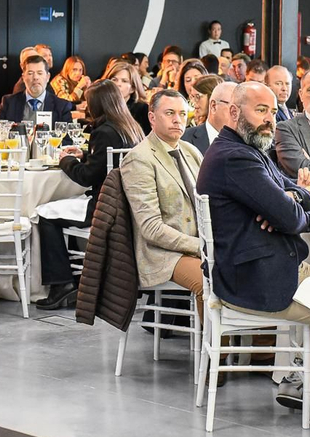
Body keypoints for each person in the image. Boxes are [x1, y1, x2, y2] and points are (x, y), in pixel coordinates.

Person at [194, 82, 310, 434]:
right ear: (233, 112)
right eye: (260, 110)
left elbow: (297, 193)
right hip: (255, 280)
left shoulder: (246, 149)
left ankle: (305, 381)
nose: (270, 119)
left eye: (272, 111)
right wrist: (287, 207)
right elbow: (293, 218)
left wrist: (290, 200)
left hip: (262, 267)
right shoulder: (236, 158)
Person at [35, 80, 143, 311]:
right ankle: (75, 279)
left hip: (103, 207)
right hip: (127, 205)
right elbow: (107, 160)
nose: (86, 106)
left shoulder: (103, 132)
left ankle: (61, 284)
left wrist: (66, 160)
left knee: (44, 214)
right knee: (57, 211)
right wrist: (85, 154)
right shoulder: (131, 127)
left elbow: (86, 177)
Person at [122, 89, 207, 300]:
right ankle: (211, 326)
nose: (178, 120)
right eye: (170, 113)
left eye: (182, 114)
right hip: (162, 254)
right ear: (152, 118)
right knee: (210, 282)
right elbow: (151, 228)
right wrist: (200, 246)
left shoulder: (191, 151)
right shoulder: (139, 158)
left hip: (200, 244)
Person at [0, 52, 74, 125]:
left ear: (48, 77)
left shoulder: (61, 106)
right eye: (30, 73)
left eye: (40, 73)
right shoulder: (9, 103)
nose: (35, 77)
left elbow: (67, 134)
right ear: (23, 77)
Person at [182, 79, 235, 154]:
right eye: (232, 106)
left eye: (198, 97)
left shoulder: (245, 140)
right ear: (213, 105)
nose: (193, 103)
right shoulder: (185, 138)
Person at [102, 60, 151, 133]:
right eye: (114, 80)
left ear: (132, 88)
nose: (118, 84)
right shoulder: (101, 105)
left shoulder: (141, 109)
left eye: (124, 81)